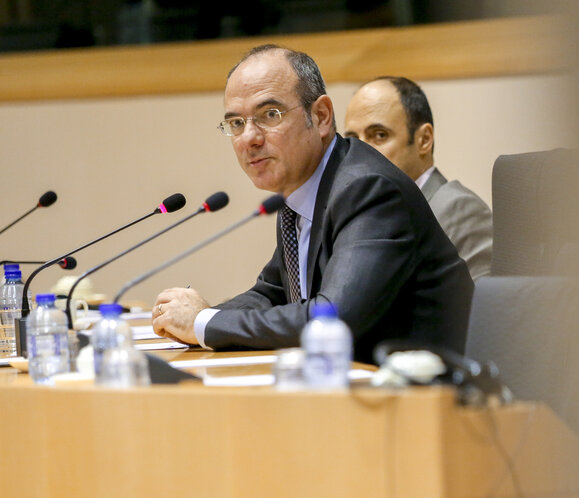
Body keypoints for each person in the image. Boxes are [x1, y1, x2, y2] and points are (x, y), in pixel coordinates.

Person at [151, 45, 474, 363]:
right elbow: (271, 294)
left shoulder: (368, 189)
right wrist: (192, 318)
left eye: (269, 115)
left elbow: (331, 319)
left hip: (424, 400)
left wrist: (203, 323)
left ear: (320, 116)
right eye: (236, 123)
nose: (249, 138)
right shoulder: (303, 192)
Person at [344, 76, 493, 280]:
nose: (360, 152)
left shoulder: (459, 210)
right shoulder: (359, 216)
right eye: (352, 139)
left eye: (379, 135)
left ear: (424, 140)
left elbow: (481, 308)